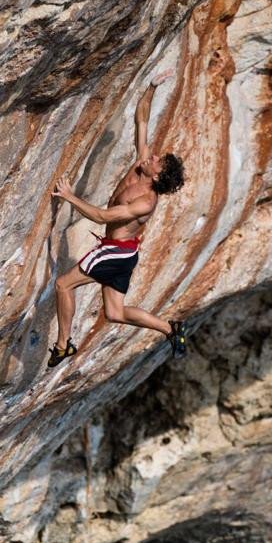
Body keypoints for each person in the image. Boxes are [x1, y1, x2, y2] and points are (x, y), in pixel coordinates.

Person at [48, 70, 186, 369]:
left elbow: (101, 215)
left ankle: (63, 345)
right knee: (115, 313)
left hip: (115, 251)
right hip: (126, 253)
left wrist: (70, 196)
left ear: (157, 176)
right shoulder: (142, 166)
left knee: (62, 285)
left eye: (155, 162)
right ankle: (170, 329)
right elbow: (142, 120)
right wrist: (151, 87)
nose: (150, 157)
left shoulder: (144, 203)